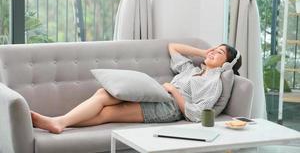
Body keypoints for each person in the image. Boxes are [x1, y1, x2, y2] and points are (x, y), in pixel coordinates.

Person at [31, 43, 242, 134]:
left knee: (109, 112)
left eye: (220, 53)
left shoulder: (214, 82)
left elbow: (197, 114)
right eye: (214, 48)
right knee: (103, 93)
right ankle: (59, 122)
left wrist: (174, 91)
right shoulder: (190, 68)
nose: (214, 52)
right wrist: (204, 51)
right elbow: (173, 47)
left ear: (227, 64)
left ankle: (59, 123)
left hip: (169, 108)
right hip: (157, 93)